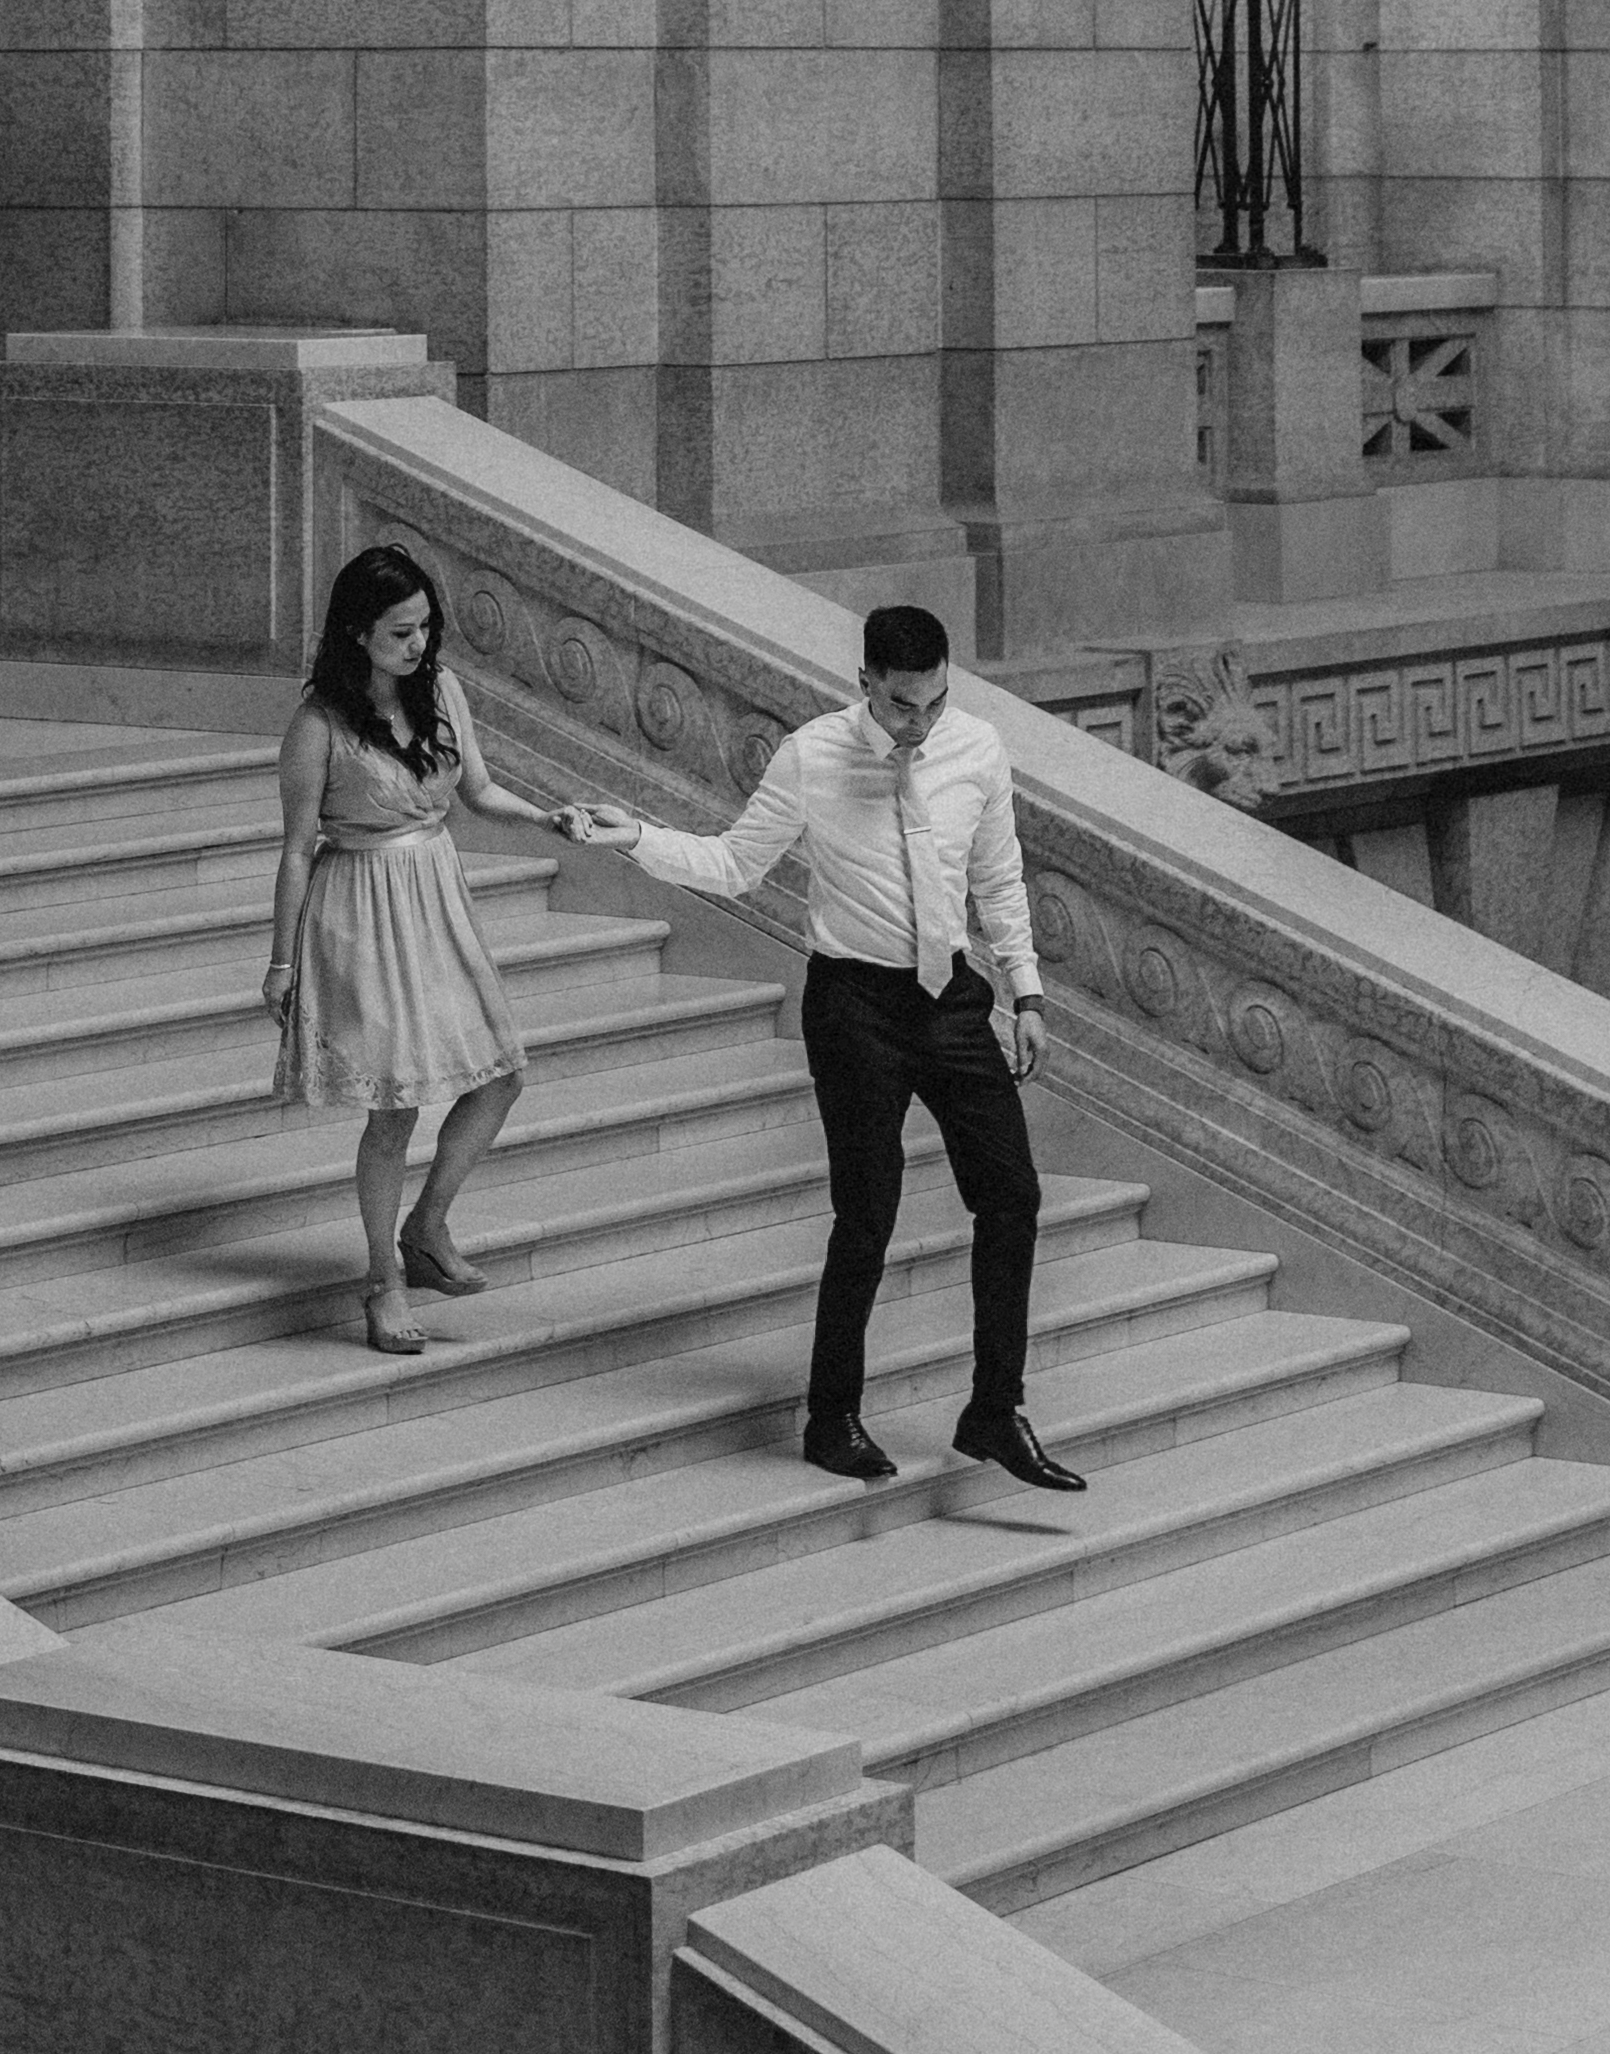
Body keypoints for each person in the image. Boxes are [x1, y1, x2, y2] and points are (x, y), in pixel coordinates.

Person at [562, 603, 1076, 1493]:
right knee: (866, 1217)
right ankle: (831, 1415)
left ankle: (994, 1406)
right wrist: (636, 834)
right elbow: (734, 864)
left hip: (952, 1000)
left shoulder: (977, 749)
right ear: (866, 685)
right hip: (856, 1006)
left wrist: (1026, 991)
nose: (921, 724)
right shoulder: (810, 757)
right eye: (904, 704)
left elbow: (998, 874)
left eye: (936, 702)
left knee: (1013, 1197)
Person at [262, 541, 536, 1354]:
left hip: (436, 895)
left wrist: (551, 820)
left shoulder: (443, 688)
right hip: (360, 907)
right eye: (400, 631)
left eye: (425, 627)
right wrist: (281, 962)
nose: (419, 645)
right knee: (396, 1105)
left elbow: (478, 791)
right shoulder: (319, 722)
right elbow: (295, 848)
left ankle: (427, 1225)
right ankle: (381, 1279)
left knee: (503, 1074)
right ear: (356, 633)